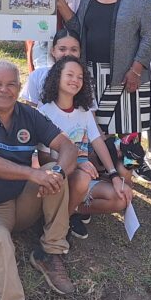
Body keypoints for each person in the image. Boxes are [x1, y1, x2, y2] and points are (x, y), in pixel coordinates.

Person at [0, 61, 80, 300]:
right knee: (1, 240)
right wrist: (31, 174)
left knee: (52, 172)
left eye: (11, 84)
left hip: (24, 203)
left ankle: (51, 252)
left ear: (19, 86)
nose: (4, 90)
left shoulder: (29, 114)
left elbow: (67, 146)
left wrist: (56, 172)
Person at [36, 57, 133, 240]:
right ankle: (58, 226)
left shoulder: (84, 110)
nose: (76, 80)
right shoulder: (45, 112)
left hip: (84, 178)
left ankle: (70, 213)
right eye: (70, 75)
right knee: (82, 177)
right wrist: (77, 164)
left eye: (80, 77)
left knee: (120, 198)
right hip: (61, 179)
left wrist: (113, 176)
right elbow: (43, 158)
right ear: (57, 77)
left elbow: (98, 142)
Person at [68, 0, 151, 141]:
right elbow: (78, 26)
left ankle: (127, 171)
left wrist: (135, 70)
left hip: (126, 75)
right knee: (97, 133)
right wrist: (59, 4)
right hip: (91, 73)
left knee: (128, 134)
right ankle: (103, 171)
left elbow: (149, 35)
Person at [20, 30, 81, 106]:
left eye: (74, 50)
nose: (68, 54)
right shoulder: (37, 75)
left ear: (79, 52)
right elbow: (29, 109)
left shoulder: (84, 78)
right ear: (53, 51)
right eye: (62, 49)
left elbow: (90, 114)